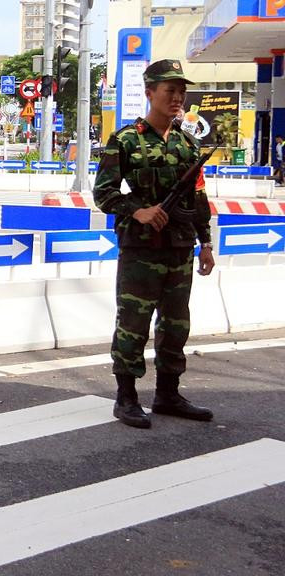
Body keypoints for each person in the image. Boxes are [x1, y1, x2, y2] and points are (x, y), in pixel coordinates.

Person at [93, 58, 215, 430]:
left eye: (181, 91)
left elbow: (197, 197)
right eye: (169, 90)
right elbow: (103, 193)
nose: (177, 97)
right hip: (141, 249)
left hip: (179, 247)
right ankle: (126, 397)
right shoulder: (126, 140)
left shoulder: (188, 144)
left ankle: (168, 394)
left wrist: (205, 242)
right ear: (150, 93)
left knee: (176, 323)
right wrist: (139, 210)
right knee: (133, 322)